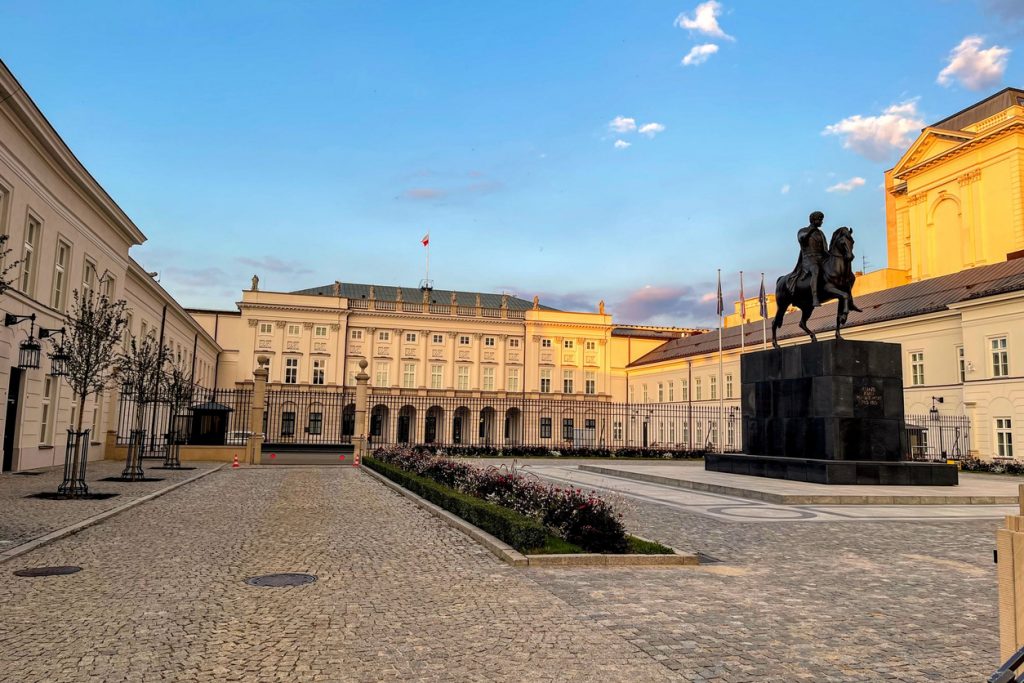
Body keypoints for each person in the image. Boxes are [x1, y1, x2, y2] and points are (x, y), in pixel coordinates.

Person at [792, 211, 828, 307]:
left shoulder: (821, 233)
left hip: (821, 258)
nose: (822, 222)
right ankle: (815, 298)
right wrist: (810, 231)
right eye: (820, 220)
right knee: (815, 269)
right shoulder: (803, 231)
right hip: (809, 260)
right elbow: (802, 239)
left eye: (822, 220)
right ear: (814, 220)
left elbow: (825, 248)